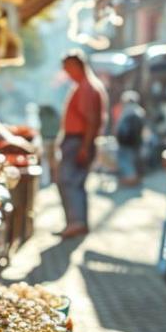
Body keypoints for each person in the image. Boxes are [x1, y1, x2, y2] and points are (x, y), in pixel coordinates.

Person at [56, 49, 107, 238]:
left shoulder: (87, 87)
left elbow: (91, 121)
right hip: (78, 141)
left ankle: (76, 222)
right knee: (74, 183)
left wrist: (85, 147)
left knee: (69, 182)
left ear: (77, 66)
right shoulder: (86, 86)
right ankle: (78, 222)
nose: (66, 72)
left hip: (78, 141)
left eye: (67, 67)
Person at [115, 91, 145, 187]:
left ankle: (131, 180)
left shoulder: (130, 113)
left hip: (127, 143)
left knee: (127, 162)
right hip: (133, 143)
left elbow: (126, 131)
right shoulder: (137, 112)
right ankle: (133, 180)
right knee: (132, 161)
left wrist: (123, 139)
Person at [38, 103, 61, 184]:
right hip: (50, 137)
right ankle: (51, 179)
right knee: (51, 159)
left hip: (50, 138)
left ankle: (52, 179)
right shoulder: (53, 112)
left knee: (51, 159)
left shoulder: (44, 112)